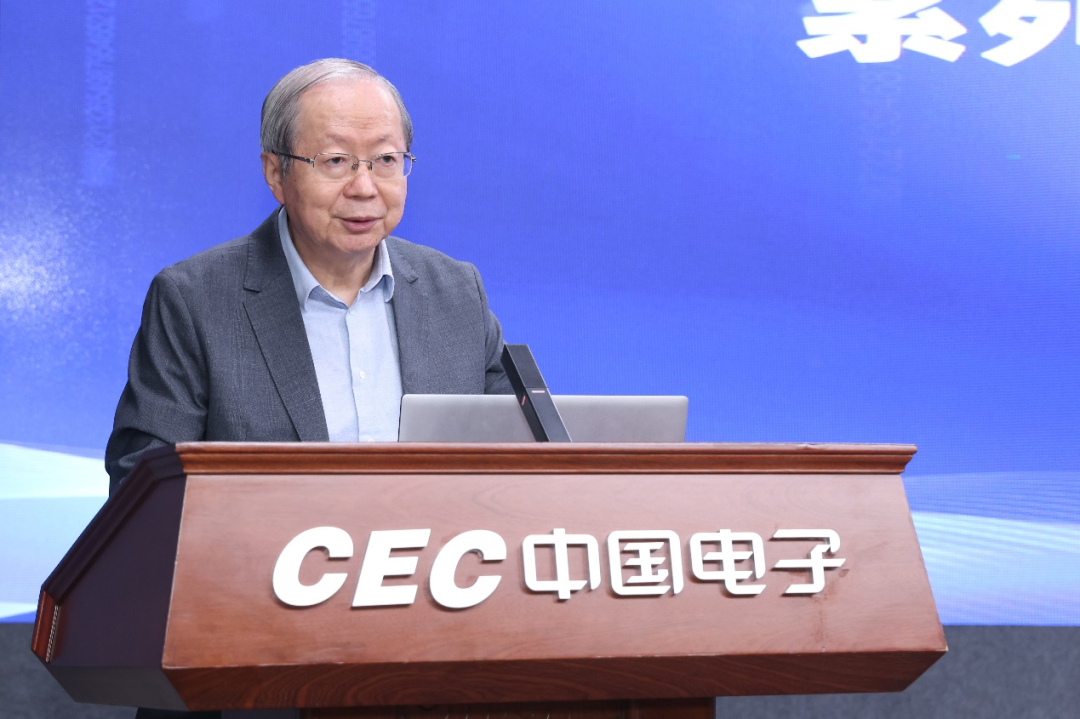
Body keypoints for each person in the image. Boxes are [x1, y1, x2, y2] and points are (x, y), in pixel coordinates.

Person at [105, 58, 511, 494]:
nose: (364, 187)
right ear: (275, 173)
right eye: (336, 160)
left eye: (385, 159)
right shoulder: (194, 302)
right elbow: (142, 489)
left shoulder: (457, 292)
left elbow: (523, 464)